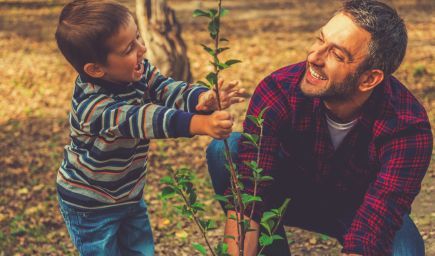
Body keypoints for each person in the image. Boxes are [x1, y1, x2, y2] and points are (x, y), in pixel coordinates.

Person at [207, 0, 433, 255]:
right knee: (225, 149)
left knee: (406, 251)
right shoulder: (279, 90)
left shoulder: (407, 127)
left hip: (362, 207)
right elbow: (249, 193)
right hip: (292, 195)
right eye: (320, 40)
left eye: (337, 55)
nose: (313, 57)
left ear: (369, 79)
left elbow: (377, 220)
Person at [54, 0, 244, 255]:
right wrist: (201, 124)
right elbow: (146, 118)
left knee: (141, 250)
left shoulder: (138, 72)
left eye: (138, 38)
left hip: (129, 195)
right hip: (90, 205)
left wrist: (200, 99)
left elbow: (166, 88)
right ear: (96, 69)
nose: (142, 48)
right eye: (128, 48)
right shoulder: (94, 108)